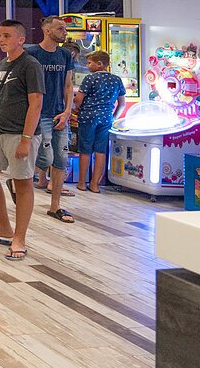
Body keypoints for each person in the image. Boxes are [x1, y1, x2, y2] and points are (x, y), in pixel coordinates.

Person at [0, 20, 44, 261]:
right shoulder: (5, 63)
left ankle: (19, 238)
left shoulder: (30, 65)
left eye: (6, 35)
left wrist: (26, 138)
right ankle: (2, 225)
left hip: (19, 133)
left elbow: (35, 104)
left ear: (21, 39)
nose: (1, 39)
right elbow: (0, 97)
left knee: (22, 182)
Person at [25, 16, 76, 224]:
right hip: (39, 113)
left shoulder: (65, 55)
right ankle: (20, 183)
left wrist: (66, 112)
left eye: (64, 29)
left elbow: (68, 85)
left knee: (61, 159)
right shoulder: (32, 53)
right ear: (47, 31)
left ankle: (55, 206)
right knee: (44, 157)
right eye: (60, 28)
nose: (64, 32)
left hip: (58, 113)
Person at [73, 49, 126, 192]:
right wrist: (113, 118)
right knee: (100, 151)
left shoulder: (90, 78)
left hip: (88, 118)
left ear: (99, 64)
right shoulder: (117, 80)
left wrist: (75, 105)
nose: (88, 66)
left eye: (90, 63)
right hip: (106, 118)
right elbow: (122, 104)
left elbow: (78, 99)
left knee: (85, 150)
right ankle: (95, 184)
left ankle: (82, 183)